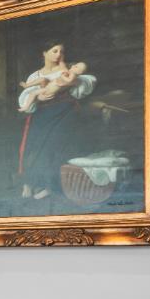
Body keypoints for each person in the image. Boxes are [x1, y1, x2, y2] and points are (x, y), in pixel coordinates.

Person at [17, 42, 96, 200]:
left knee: (53, 147)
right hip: (41, 114)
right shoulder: (35, 75)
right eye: (54, 51)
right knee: (34, 147)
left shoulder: (68, 70)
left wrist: (72, 81)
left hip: (64, 112)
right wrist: (38, 97)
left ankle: (49, 186)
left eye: (62, 51)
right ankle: (29, 183)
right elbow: (27, 95)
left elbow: (84, 83)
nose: (59, 54)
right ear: (44, 53)